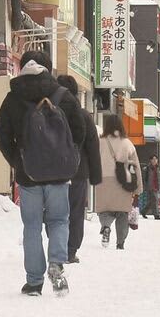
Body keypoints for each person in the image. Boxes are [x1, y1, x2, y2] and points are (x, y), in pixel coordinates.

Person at [0, 51, 86, 297]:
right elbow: (80, 130)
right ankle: (56, 263)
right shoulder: (64, 96)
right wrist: (69, 155)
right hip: (59, 174)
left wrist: (18, 160)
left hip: (28, 175)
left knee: (32, 226)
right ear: (48, 69)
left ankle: (34, 282)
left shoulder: (13, 98)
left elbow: (1, 135)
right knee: (58, 220)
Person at [56, 75, 102, 264]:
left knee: (56, 211)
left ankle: (56, 246)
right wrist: (95, 174)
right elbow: (92, 145)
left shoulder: (51, 112)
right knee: (75, 211)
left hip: (53, 171)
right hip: (78, 171)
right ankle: (70, 250)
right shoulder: (83, 115)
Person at [94, 114, 143, 250]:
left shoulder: (100, 142)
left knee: (104, 210)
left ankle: (106, 227)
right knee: (122, 212)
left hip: (103, 180)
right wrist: (138, 186)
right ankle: (120, 242)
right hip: (123, 181)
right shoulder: (127, 143)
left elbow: (94, 160)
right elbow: (136, 166)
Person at [141, 155, 160, 220]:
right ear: (150, 160)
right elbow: (145, 178)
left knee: (151, 202)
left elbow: (159, 178)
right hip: (150, 187)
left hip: (156, 186)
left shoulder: (158, 168)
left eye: (156, 159)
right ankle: (156, 215)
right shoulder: (147, 168)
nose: (155, 160)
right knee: (155, 200)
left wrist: (159, 186)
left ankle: (143, 211)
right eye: (153, 159)